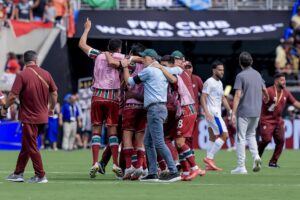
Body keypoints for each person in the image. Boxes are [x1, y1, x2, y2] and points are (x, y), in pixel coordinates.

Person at [122, 49, 181, 182]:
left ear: (151, 58)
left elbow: (130, 82)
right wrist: (162, 67)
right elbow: (179, 70)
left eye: (145, 58)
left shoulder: (148, 70)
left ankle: (173, 171)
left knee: (159, 142)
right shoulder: (163, 69)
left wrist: (125, 66)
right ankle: (153, 173)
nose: (143, 60)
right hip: (160, 108)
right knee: (148, 142)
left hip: (154, 109)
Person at [79, 18, 124, 178]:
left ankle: (94, 163)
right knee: (112, 132)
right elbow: (135, 62)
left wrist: (87, 29)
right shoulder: (121, 57)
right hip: (112, 97)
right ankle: (116, 164)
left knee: (96, 130)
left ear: (108, 47)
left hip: (97, 96)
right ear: (118, 48)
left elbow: (82, 45)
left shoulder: (99, 55)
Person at [2, 50, 58, 183]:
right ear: (36, 60)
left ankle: (40, 175)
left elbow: (13, 96)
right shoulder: (46, 73)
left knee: (31, 146)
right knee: (27, 145)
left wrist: (5, 107)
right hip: (42, 117)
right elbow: (54, 93)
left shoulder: (22, 75)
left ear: (24, 61)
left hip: (29, 117)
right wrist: (51, 108)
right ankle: (18, 173)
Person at [231, 52, 269, 174]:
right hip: (256, 110)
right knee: (251, 135)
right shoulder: (258, 74)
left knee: (241, 138)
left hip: (244, 111)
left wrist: (233, 112)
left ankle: (241, 166)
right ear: (251, 62)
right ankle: (256, 157)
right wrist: (267, 97)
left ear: (240, 63)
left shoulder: (240, 76)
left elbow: (237, 95)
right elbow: (264, 89)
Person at [258, 73, 300, 168]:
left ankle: (273, 162)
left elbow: (295, 102)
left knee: (281, 141)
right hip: (267, 120)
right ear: (276, 81)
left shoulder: (286, 92)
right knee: (266, 140)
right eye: (282, 80)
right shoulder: (268, 90)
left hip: (278, 120)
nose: (284, 82)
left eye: (284, 80)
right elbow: (261, 98)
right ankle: (257, 156)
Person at [201, 61, 232, 171]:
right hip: (213, 113)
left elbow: (223, 98)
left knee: (212, 137)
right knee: (225, 135)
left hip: (214, 112)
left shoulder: (219, 83)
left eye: (223, 70)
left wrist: (230, 111)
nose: (222, 72)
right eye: (219, 70)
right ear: (214, 70)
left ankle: (208, 165)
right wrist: (207, 112)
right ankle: (209, 158)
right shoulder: (209, 82)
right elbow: (203, 98)